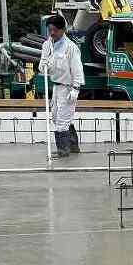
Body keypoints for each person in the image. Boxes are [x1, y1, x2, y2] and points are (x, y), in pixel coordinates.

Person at [39, 15, 84, 158]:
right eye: (50, 30)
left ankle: (63, 150)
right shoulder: (47, 45)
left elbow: (77, 70)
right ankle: (73, 146)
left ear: (63, 30)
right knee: (56, 117)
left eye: (55, 30)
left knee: (62, 121)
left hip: (68, 88)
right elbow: (42, 66)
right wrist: (44, 65)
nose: (52, 33)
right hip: (56, 87)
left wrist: (76, 89)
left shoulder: (71, 48)